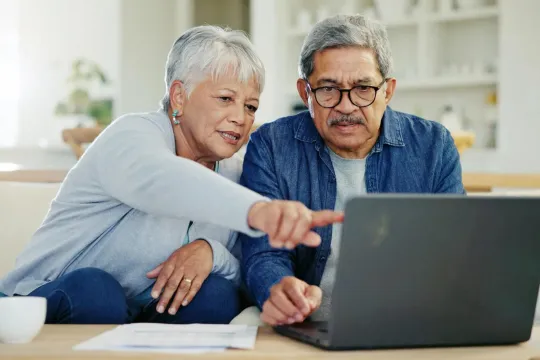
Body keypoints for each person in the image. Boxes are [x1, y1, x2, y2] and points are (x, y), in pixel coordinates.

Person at [0, 25, 343, 324]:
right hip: (39, 302)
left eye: (250, 106)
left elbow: (245, 267)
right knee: (96, 290)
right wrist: (259, 210)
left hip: (140, 313)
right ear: (179, 96)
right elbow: (162, 180)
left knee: (218, 295)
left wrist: (210, 251)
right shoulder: (132, 136)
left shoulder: (236, 173)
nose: (241, 117)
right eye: (226, 98)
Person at [240, 14, 465, 326]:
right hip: (303, 323)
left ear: (387, 91)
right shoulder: (271, 146)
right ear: (306, 94)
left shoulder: (433, 146)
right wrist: (278, 287)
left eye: (362, 88)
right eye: (328, 89)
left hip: (407, 321)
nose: (346, 106)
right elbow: (263, 253)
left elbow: (453, 251)